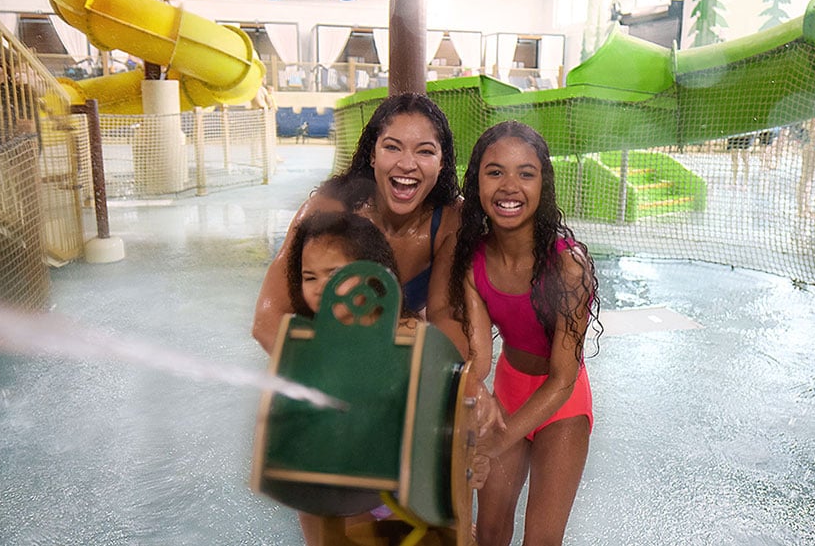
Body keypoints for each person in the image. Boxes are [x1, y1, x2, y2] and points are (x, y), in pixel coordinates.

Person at [280, 209, 492, 545]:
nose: (323, 288)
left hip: (410, 499)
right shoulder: (312, 349)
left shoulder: (410, 341)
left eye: (335, 274)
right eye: (310, 277)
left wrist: (470, 465)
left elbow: (453, 429)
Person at [449, 120, 600, 546]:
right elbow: (479, 359)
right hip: (508, 391)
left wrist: (494, 444)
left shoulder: (568, 267)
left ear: (543, 184)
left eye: (525, 173)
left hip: (562, 405)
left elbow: (563, 377)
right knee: (491, 533)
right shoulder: (473, 261)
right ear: (476, 182)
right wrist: (468, 412)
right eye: (495, 172)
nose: (509, 186)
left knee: (541, 540)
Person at [252, 92, 465, 355]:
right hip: (316, 348)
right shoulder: (330, 209)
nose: (407, 164)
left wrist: (444, 375)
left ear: (442, 163)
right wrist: (324, 376)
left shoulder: (449, 221)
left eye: (425, 151)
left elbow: (445, 316)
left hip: (387, 348)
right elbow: (267, 318)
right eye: (392, 147)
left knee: (410, 326)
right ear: (372, 155)